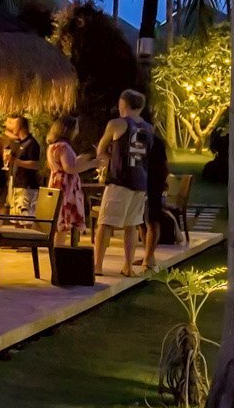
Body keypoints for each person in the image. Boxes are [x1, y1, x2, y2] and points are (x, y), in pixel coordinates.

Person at [93, 90, 157, 276]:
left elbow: (101, 151)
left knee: (105, 223)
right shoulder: (149, 128)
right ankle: (128, 266)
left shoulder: (117, 124)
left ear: (124, 104)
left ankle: (97, 266)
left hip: (120, 180)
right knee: (132, 224)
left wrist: (108, 159)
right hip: (140, 181)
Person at [45, 117, 88, 246]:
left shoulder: (53, 146)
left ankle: (58, 248)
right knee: (63, 222)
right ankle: (59, 250)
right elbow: (69, 168)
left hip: (56, 182)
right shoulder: (64, 147)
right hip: (66, 186)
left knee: (60, 221)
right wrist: (92, 164)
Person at [7, 115, 43, 215]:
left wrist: (15, 161)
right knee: (15, 218)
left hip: (27, 186)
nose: (11, 127)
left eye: (13, 124)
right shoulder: (19, 143)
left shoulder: (31, 143)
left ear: (20, 126)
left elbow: (35, 164)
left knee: (25, 218)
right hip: (17, 185)